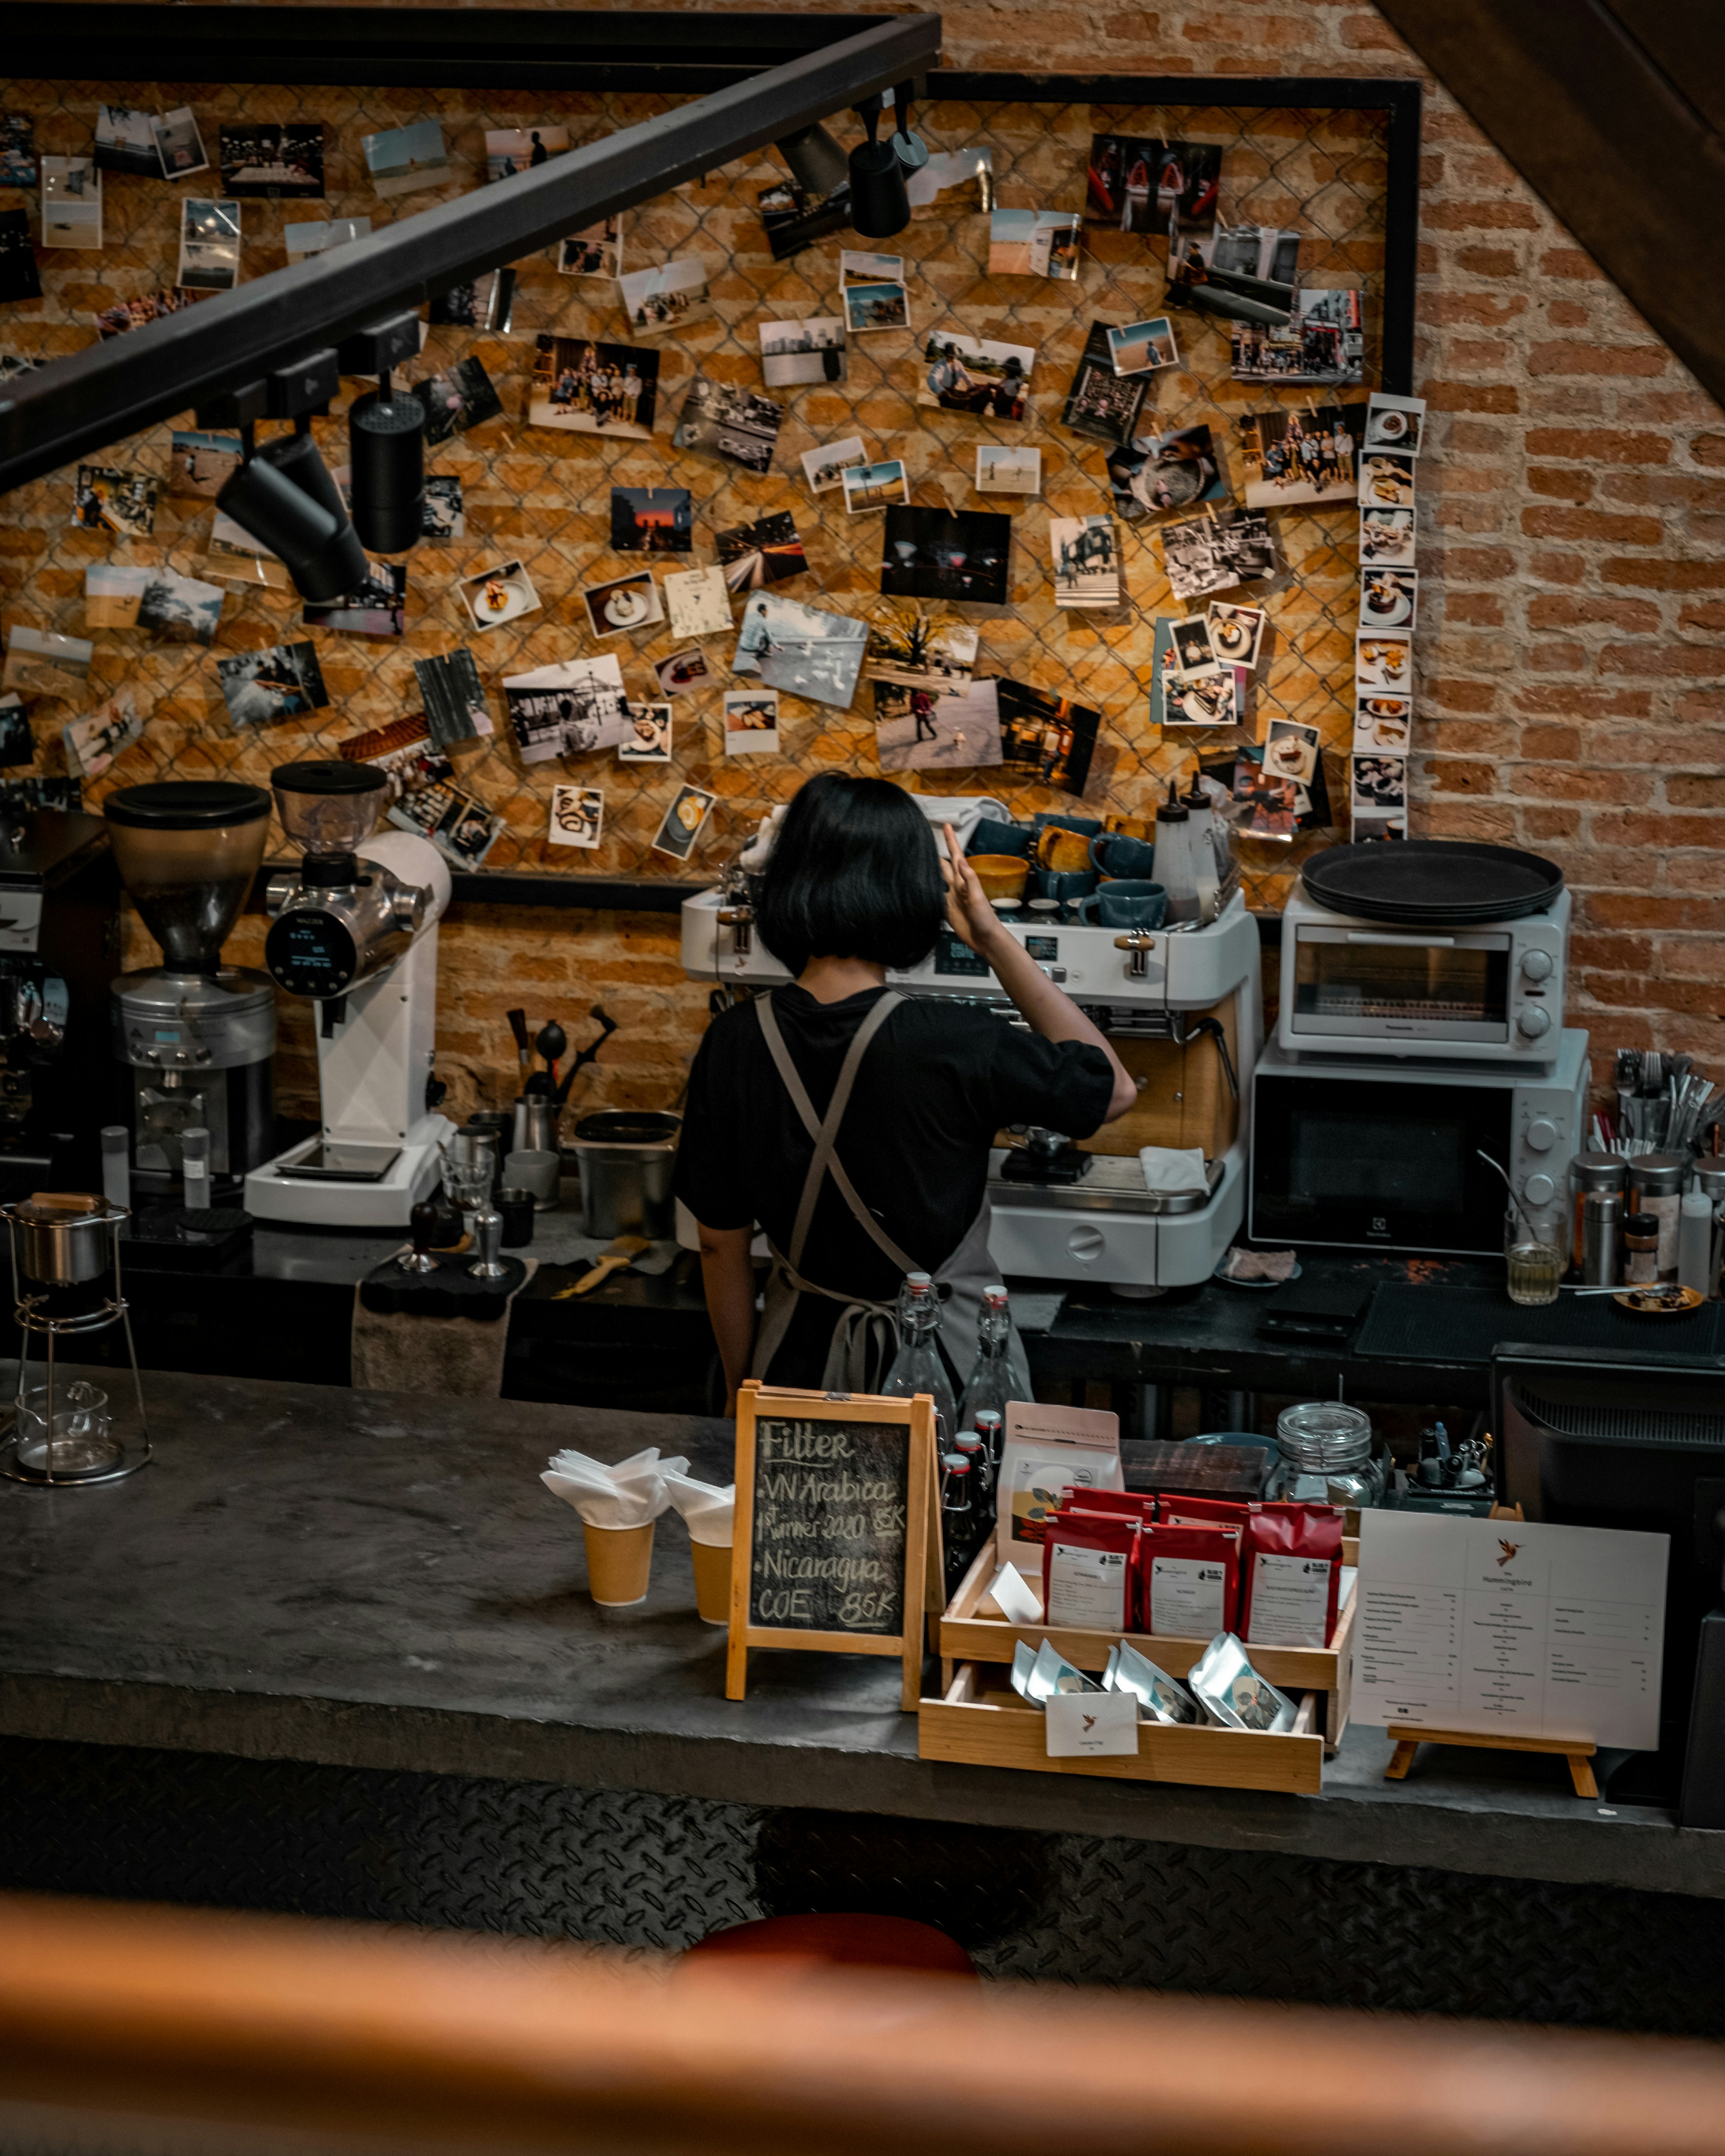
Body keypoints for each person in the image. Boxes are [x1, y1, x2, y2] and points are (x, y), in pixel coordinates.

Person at [675, 777, 1137, 1406]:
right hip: (946, 1369)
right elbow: (1113, 1091)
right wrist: (994, 939)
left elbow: (717, 1244)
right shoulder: (955, 1038)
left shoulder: (732, 1042)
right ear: (912, 891)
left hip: (797, 1367)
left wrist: (741, 1387)